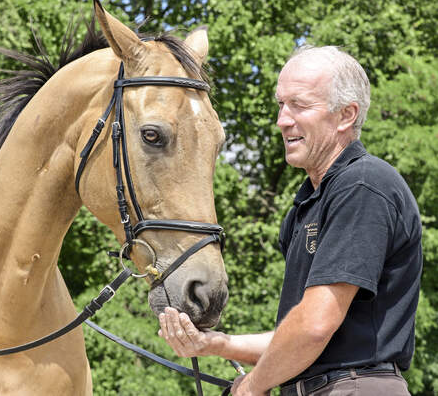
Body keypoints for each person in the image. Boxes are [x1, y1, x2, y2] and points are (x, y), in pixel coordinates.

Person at [158, 45, 423, 396]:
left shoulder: (362, 185)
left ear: (346, 115)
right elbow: (297, 336)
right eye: (281, 104)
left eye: (299, 104)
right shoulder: (307, 204)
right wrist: (214, 344)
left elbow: (315, 326)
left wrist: (252, 386)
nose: (283, 119)